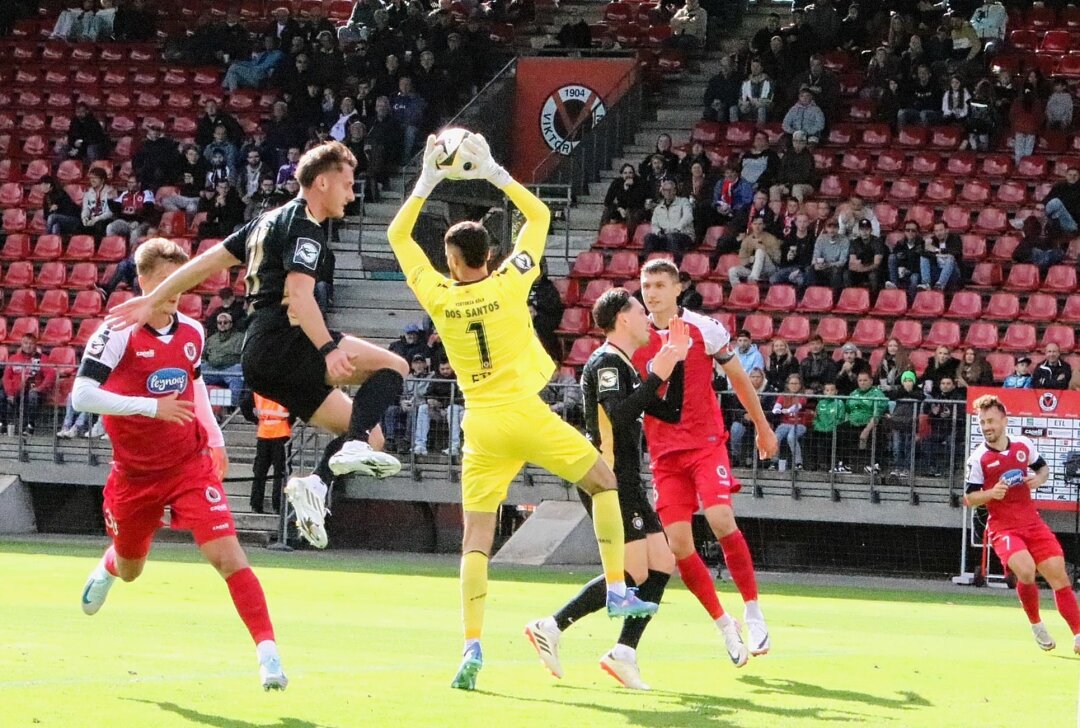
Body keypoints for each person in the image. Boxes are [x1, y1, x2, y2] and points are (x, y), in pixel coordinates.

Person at [385, 133, 658, 690]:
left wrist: (430, 181)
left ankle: (471, 647)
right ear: (490, 256)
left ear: (449, 260)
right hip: (526, 414)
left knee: (475, 542)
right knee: (605, 484)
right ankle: (613, 589)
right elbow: (538, 217)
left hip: (481, 425)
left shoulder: (438, 295)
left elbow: (395, 234)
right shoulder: (511, 282)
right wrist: (494, 172)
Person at [106, 142, 408, 553]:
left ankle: (316, 484)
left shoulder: (266, 221)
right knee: (395, 368)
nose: (352, 195)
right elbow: (300, 298)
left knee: (373, 438)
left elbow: (207, 261)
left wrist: (153, 296)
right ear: (322, 181)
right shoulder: (306, 226)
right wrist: (328, 350)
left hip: (259, 356)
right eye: (348, 184)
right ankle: (346, 452)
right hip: (285, 341)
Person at [75, 240, 286, 690]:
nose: (176, 291)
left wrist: (215, 438)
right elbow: (82, 395)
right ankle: (109, 567)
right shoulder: (116, 332)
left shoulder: (192, 330)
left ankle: (268, 655)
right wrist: (150, 408)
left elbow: (193, 389)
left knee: (227, 556)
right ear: (145, 281)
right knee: (133, 568)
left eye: (183, 280)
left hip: (188, 465)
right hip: (133, 476)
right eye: (167, 281)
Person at [525, 289, 688, 690]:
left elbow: (671, 411)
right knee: (631, 572)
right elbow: (618, 415)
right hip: (610, 479)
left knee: (663, 562)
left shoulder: (627, 366)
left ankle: (623, 653)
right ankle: (551, 625)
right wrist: (660, 372)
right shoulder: (606, 363)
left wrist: (677, 360)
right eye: (639, 309)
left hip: (629, 481)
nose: (647, 315)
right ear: (622, 319)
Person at [633, 258, 780, 666]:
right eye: (646, 284)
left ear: (678, 288)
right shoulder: (635, 334)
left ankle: (753, 611)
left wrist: (763, 428)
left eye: (660, 284)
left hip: (704, 444)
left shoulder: (706, 329)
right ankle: (724, 624)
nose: (652, 292)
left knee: (719, 519)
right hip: (664, 455)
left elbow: (738, 380)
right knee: (679, 544)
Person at [965, 394, 1080, 655]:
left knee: (1058, 575)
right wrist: (990, 494)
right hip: (1003, 527)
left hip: (1032, 523)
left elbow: (1042, 469)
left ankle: (1078, 634)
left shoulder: (1023, 445)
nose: (986, 427)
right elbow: (970, 497)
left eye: (991, 421)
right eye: (982, 422)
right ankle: (1036, 624)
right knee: (1026, 570)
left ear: (1004, 420)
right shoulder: (978, 459)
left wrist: (1038, 479)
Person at [242, 393, 292, 513]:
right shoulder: (286, 388)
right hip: (281, 432)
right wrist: (291, 420)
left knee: (260, 471)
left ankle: (256, 504)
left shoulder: (259, 388)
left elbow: (245, 406)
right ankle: (278, 505)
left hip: (263, 432)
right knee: (280, 472)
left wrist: (257, 420)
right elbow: (296, 407)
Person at [2, 333, 55, 436]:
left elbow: (51, 374)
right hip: (15, 391)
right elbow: (6, 377)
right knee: (1, 395)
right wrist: (9, 393)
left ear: (35, 345)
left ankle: (29, 426)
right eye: (25, 343)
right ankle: (2, 425)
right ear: (21, 344)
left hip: (32, 391)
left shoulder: (41, 358)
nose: (28, 346)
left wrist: (40, 388)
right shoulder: (14, 358)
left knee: (32, 396)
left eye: (31, 343)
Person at [412, 359, 464, 456]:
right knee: (423, 408)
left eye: (447, 368)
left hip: (455, 409)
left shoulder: (459, 378)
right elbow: (428, 393)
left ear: (452, 367)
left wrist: (442, 404)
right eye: (442, 369)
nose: (445, 371)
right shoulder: (436, 377)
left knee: (453, 409)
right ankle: (420, 445)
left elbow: (460, 398)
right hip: (439, 410)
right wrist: (431, 400)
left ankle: (454, 446)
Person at [842, 370, 888, 473]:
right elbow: (847, 411)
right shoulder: (853, 393)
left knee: (876, 430)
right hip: (853, 424)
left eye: (865, 380)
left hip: (870, 424)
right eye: (860, 380)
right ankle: (844, 463)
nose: (862, 382)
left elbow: (877, 413)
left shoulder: (877, 394)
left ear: (871, 381)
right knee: (840, 429)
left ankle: (873, 464)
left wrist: (866, 430)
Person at [643, 179, 695, 260]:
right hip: (666, 237)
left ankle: (676, 266)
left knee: (672, 237)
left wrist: (677, 228)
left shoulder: (683, 202)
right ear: (662, 192)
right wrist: (658, 232)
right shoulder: (658, 208)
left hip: (684, 236)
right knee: (649, 237)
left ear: (675, 191)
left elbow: (688, 216)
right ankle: (648, 265)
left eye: (670, 190)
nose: (668, 192)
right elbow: (654, 224)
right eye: (665, 190)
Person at [886, 371, 923, 477]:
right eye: (905, 381)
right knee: (897, 446)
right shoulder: (898, 391)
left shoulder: (917, 392)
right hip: (897, 423)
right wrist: (905, 391)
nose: (908, 383)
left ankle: (907, 468)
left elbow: (921, 396)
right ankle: (897, 467)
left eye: (910, 380)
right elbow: (891, 395)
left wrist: (909, 392)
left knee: (908, 446)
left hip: (911, 423)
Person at [728, 216, 781, 286]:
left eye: (760, 224)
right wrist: (749, 260)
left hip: (769, 269)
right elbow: (742, 260)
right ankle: (739, 292)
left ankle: (753, 278)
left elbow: (778, 260)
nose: (757, 226)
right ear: (751, 225)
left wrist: (765, 250)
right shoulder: (747, 240)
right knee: (732, 271)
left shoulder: (771, 238)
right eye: (755, 224)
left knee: (760, 251)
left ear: (764, 226)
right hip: (752, 269)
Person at [771, 373, 808, 470]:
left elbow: (797, 406)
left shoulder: (802, 396)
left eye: (796, 383)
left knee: (791, 437)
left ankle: (798, 463)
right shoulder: (783, 395)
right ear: (787, 385)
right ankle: (774, 461)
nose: (794, 386)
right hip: (785, 423)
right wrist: (777, 410)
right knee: (776, 437)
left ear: (800, 385)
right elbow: (777, 406)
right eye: (791, 383)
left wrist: (787, 410)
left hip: (799, 423)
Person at [809, 381, 846, 472]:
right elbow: (816, 417)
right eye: (827, 390)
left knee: (829, 440)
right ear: (824, 392)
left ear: (836, 391)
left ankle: (831, 464)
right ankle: (818, 464)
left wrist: (830, 427)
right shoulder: (820, 403)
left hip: (833, 429)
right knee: (814, 438)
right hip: (821, 429)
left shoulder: (839, 403)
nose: (829, 392)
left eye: (832, 390)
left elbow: (840, 418)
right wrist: (818, 426)